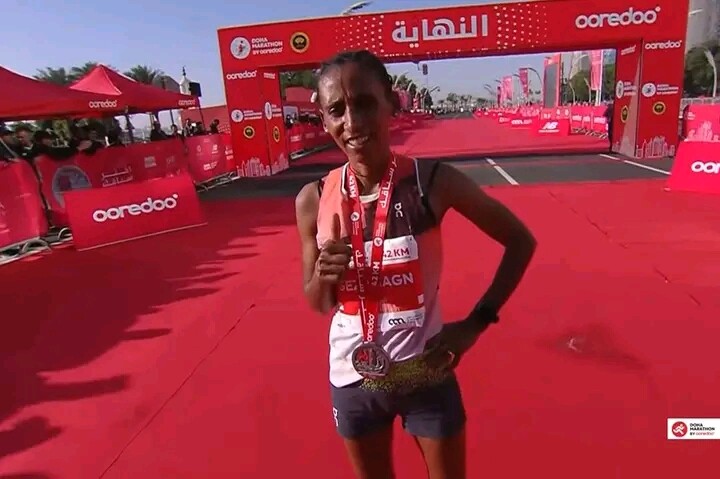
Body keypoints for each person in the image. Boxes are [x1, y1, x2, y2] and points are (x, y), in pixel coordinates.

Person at [295, 50, 536, 479]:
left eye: (364, 103)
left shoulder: (433, 183)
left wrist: (476, 323)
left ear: (391, 102)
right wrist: (322, 276)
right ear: (325, 119)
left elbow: (520, 241)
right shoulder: (313, 199)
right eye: (337, 110)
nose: (352, 122)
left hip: (425, 374)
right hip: (353, 379)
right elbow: (318, 303)